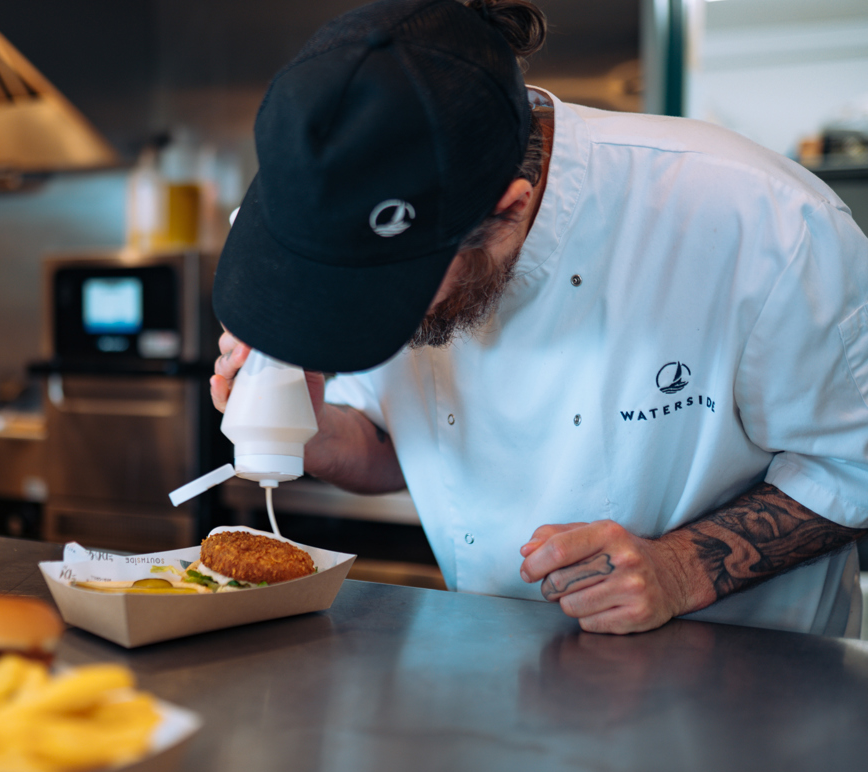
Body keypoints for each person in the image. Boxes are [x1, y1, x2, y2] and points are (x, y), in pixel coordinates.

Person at [209, 0, 868, 636]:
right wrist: (317, 429)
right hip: (490, 675)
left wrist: (681, 568)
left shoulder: (767, 225)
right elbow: (398, 446)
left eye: (389, 291)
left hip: (751, 698)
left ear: (508, 207)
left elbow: (854, 463)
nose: (359, 310)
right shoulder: (374, 203)